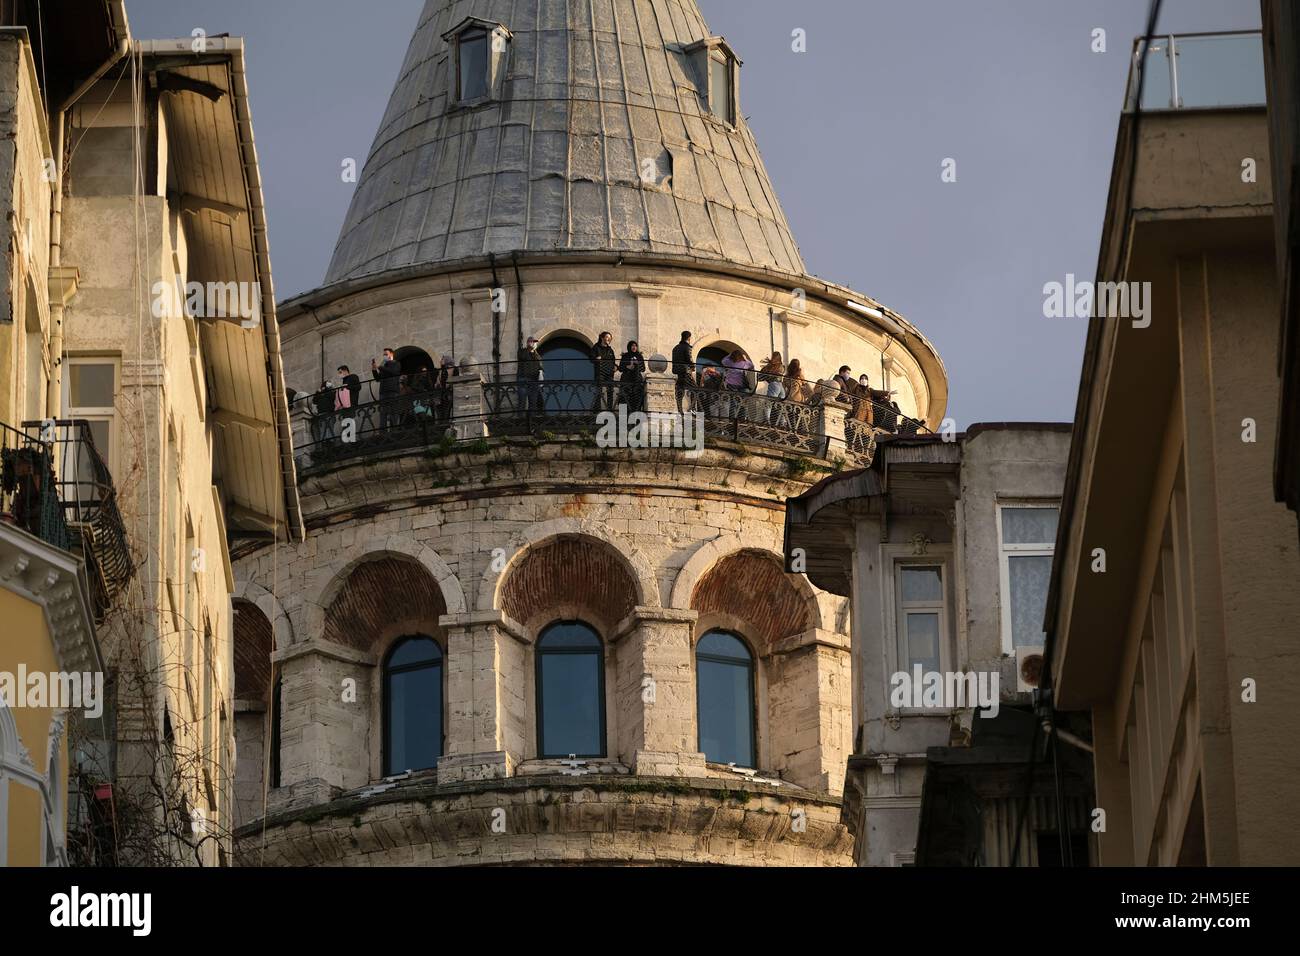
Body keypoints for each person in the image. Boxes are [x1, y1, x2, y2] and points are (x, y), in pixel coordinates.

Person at [372, 348, 403, 428]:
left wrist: (380, 367)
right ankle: (383, 432)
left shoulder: (396, 363)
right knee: (383, 413)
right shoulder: (384, 366)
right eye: (384, 354)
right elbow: (378, 379)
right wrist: (374, 370)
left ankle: (395, 430)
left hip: (393, 390)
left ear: (391, 354)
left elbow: (394, 372)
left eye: (386, 354)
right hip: (383, 391)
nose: (384, 356)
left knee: (394, 412)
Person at [721, 349, 755, 419]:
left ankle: (732, 419)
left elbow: (723, 360)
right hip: (742, 385)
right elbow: (752, 366)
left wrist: (730, 354)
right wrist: (746, 359)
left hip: (731, 384)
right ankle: (742, 418)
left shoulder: (729, 362)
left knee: (733, 403)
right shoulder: (744, 363)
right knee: (743, 402)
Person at [590, 332, 618, 413]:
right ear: (602, 338)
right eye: (607, 337)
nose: (609, 339)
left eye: (610, 338)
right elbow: (591, 357)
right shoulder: (596, 347)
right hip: (600, 372)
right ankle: (597, 409)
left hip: (609, 373)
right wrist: (596, 358)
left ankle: (610, 409)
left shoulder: (610, 350)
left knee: (610, 390)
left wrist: (616, 367)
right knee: (599, 390)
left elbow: (613, 361)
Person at [517, 336, 544, 417]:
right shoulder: (522, 351)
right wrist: (529, 349)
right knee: (522, 401)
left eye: (535, 342)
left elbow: (541, 367)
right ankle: (520, 419)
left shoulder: (537, 355)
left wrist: (541, 374)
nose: (533, 343)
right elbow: (522, 357)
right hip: (523, 378)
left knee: (533, 402)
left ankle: (532, 420)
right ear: (528, 342)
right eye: (532, 342)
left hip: (534, 381)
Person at [619, 341, 647, 413]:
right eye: (632, 346)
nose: (634, 347)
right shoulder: (625, 356)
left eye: (635, 346)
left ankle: (635, 417)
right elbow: (620, 368)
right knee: (624, 399)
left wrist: (636, 365)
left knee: (636, 399)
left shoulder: (639, 356)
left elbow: (643, 368)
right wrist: (628, 367)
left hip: (637, 380)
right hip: (626, 379)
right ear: (629, 347)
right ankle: (623, 419)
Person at [672, 331, 696, 413]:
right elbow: (689, 359)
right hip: (686, 372)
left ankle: (680, 410)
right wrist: (693, 367)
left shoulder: (675, 348)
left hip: (678, 373)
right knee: (695, 389)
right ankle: (692, 408)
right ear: (689, 338)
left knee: (679, 391)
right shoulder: (687, 347)